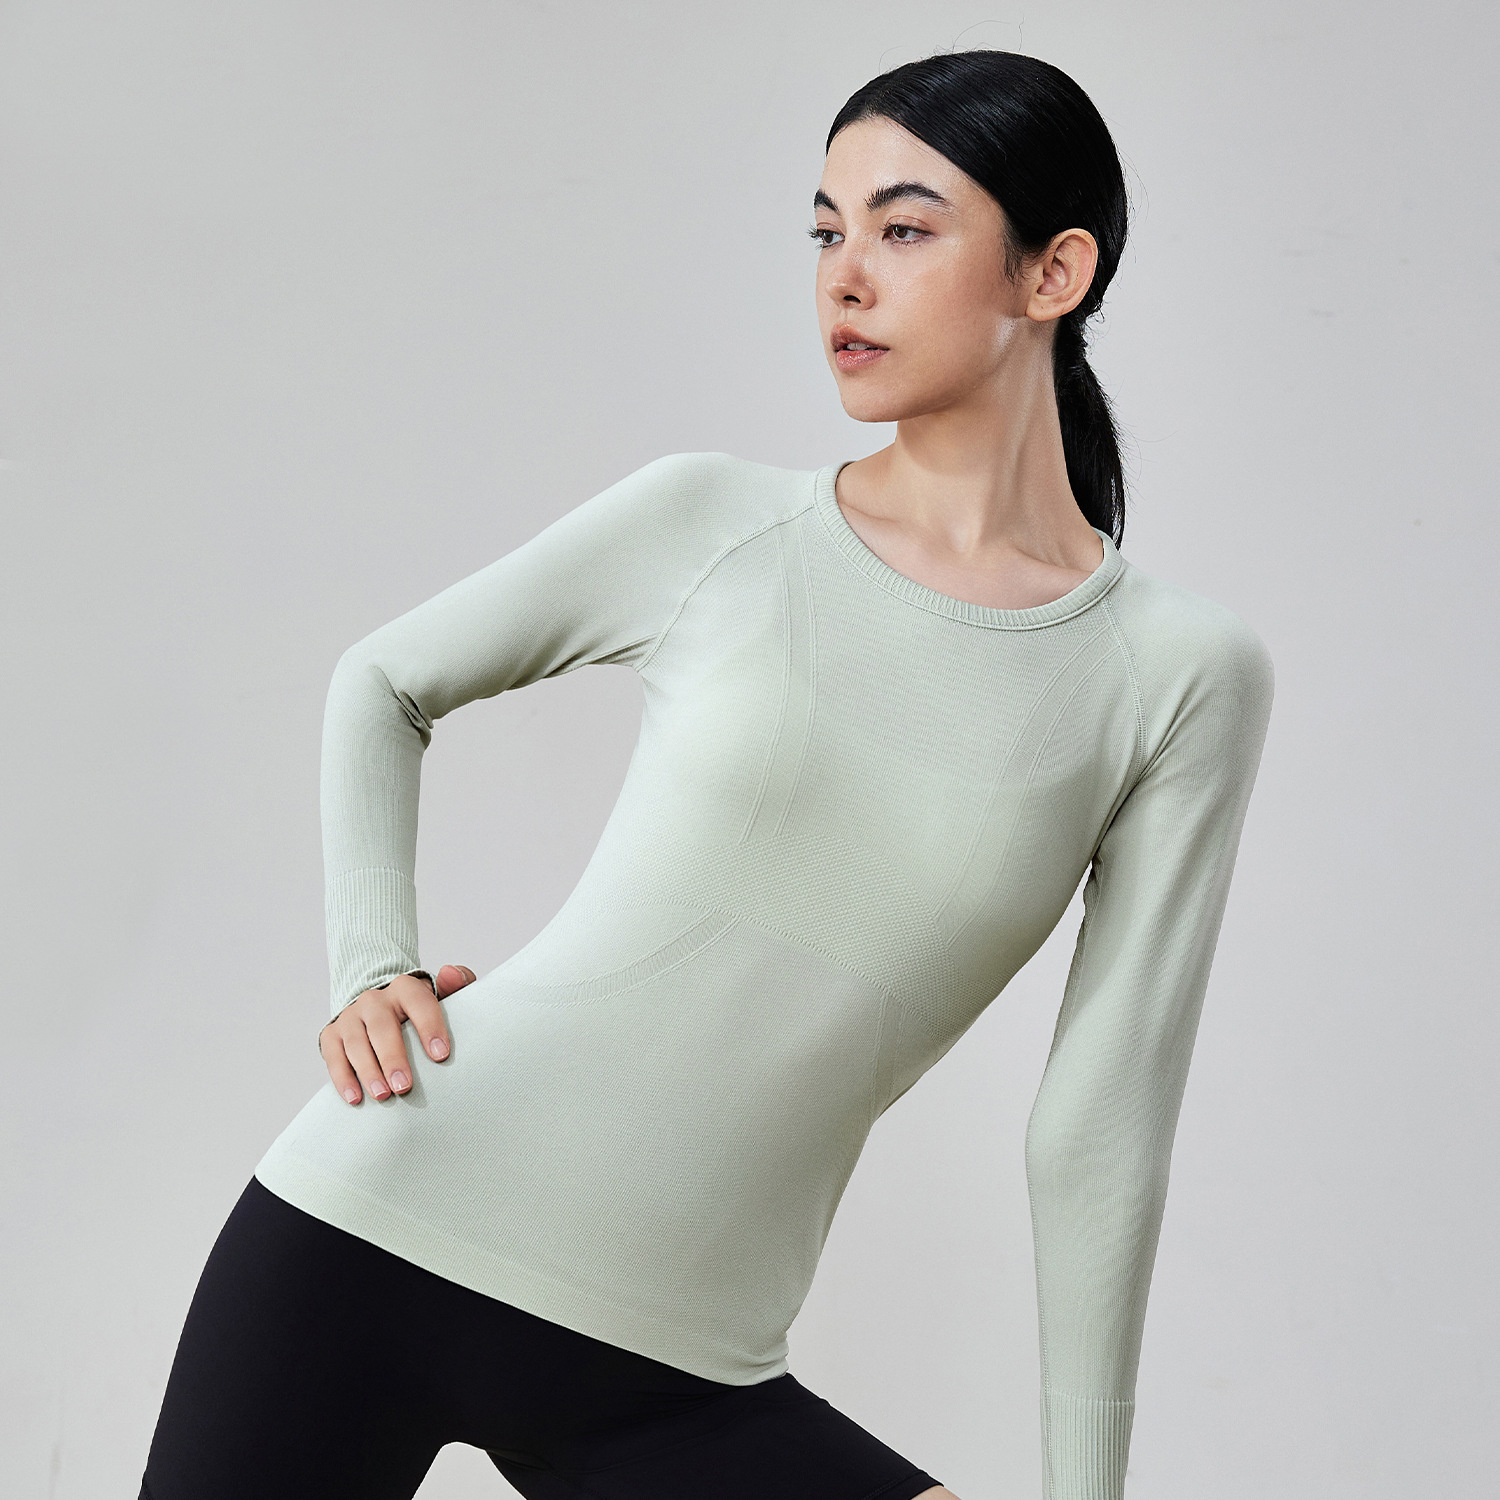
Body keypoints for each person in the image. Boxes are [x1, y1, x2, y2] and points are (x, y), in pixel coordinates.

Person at [138, 48, 1273, 1500]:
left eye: (904, 229)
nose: (844, 276)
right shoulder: (714, 526)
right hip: (379, 1234)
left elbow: (1101, 1123)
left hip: (680, 1374)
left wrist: (1087, 1487)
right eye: (826, 229)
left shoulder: (1174, 674)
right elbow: (384, 682)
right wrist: (373, 964)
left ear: (1055, 271)